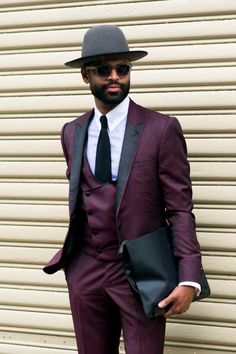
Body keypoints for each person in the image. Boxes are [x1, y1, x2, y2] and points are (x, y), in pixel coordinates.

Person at [44, 25, 202, 354]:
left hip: (141, 273)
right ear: (86, 76)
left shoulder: (161, 130)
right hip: (85, 269)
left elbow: (180, 208)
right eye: (104, 69)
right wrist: (76, 270)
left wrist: (189, 277)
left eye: (123, 68)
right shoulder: (71, 132)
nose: (115, 76)